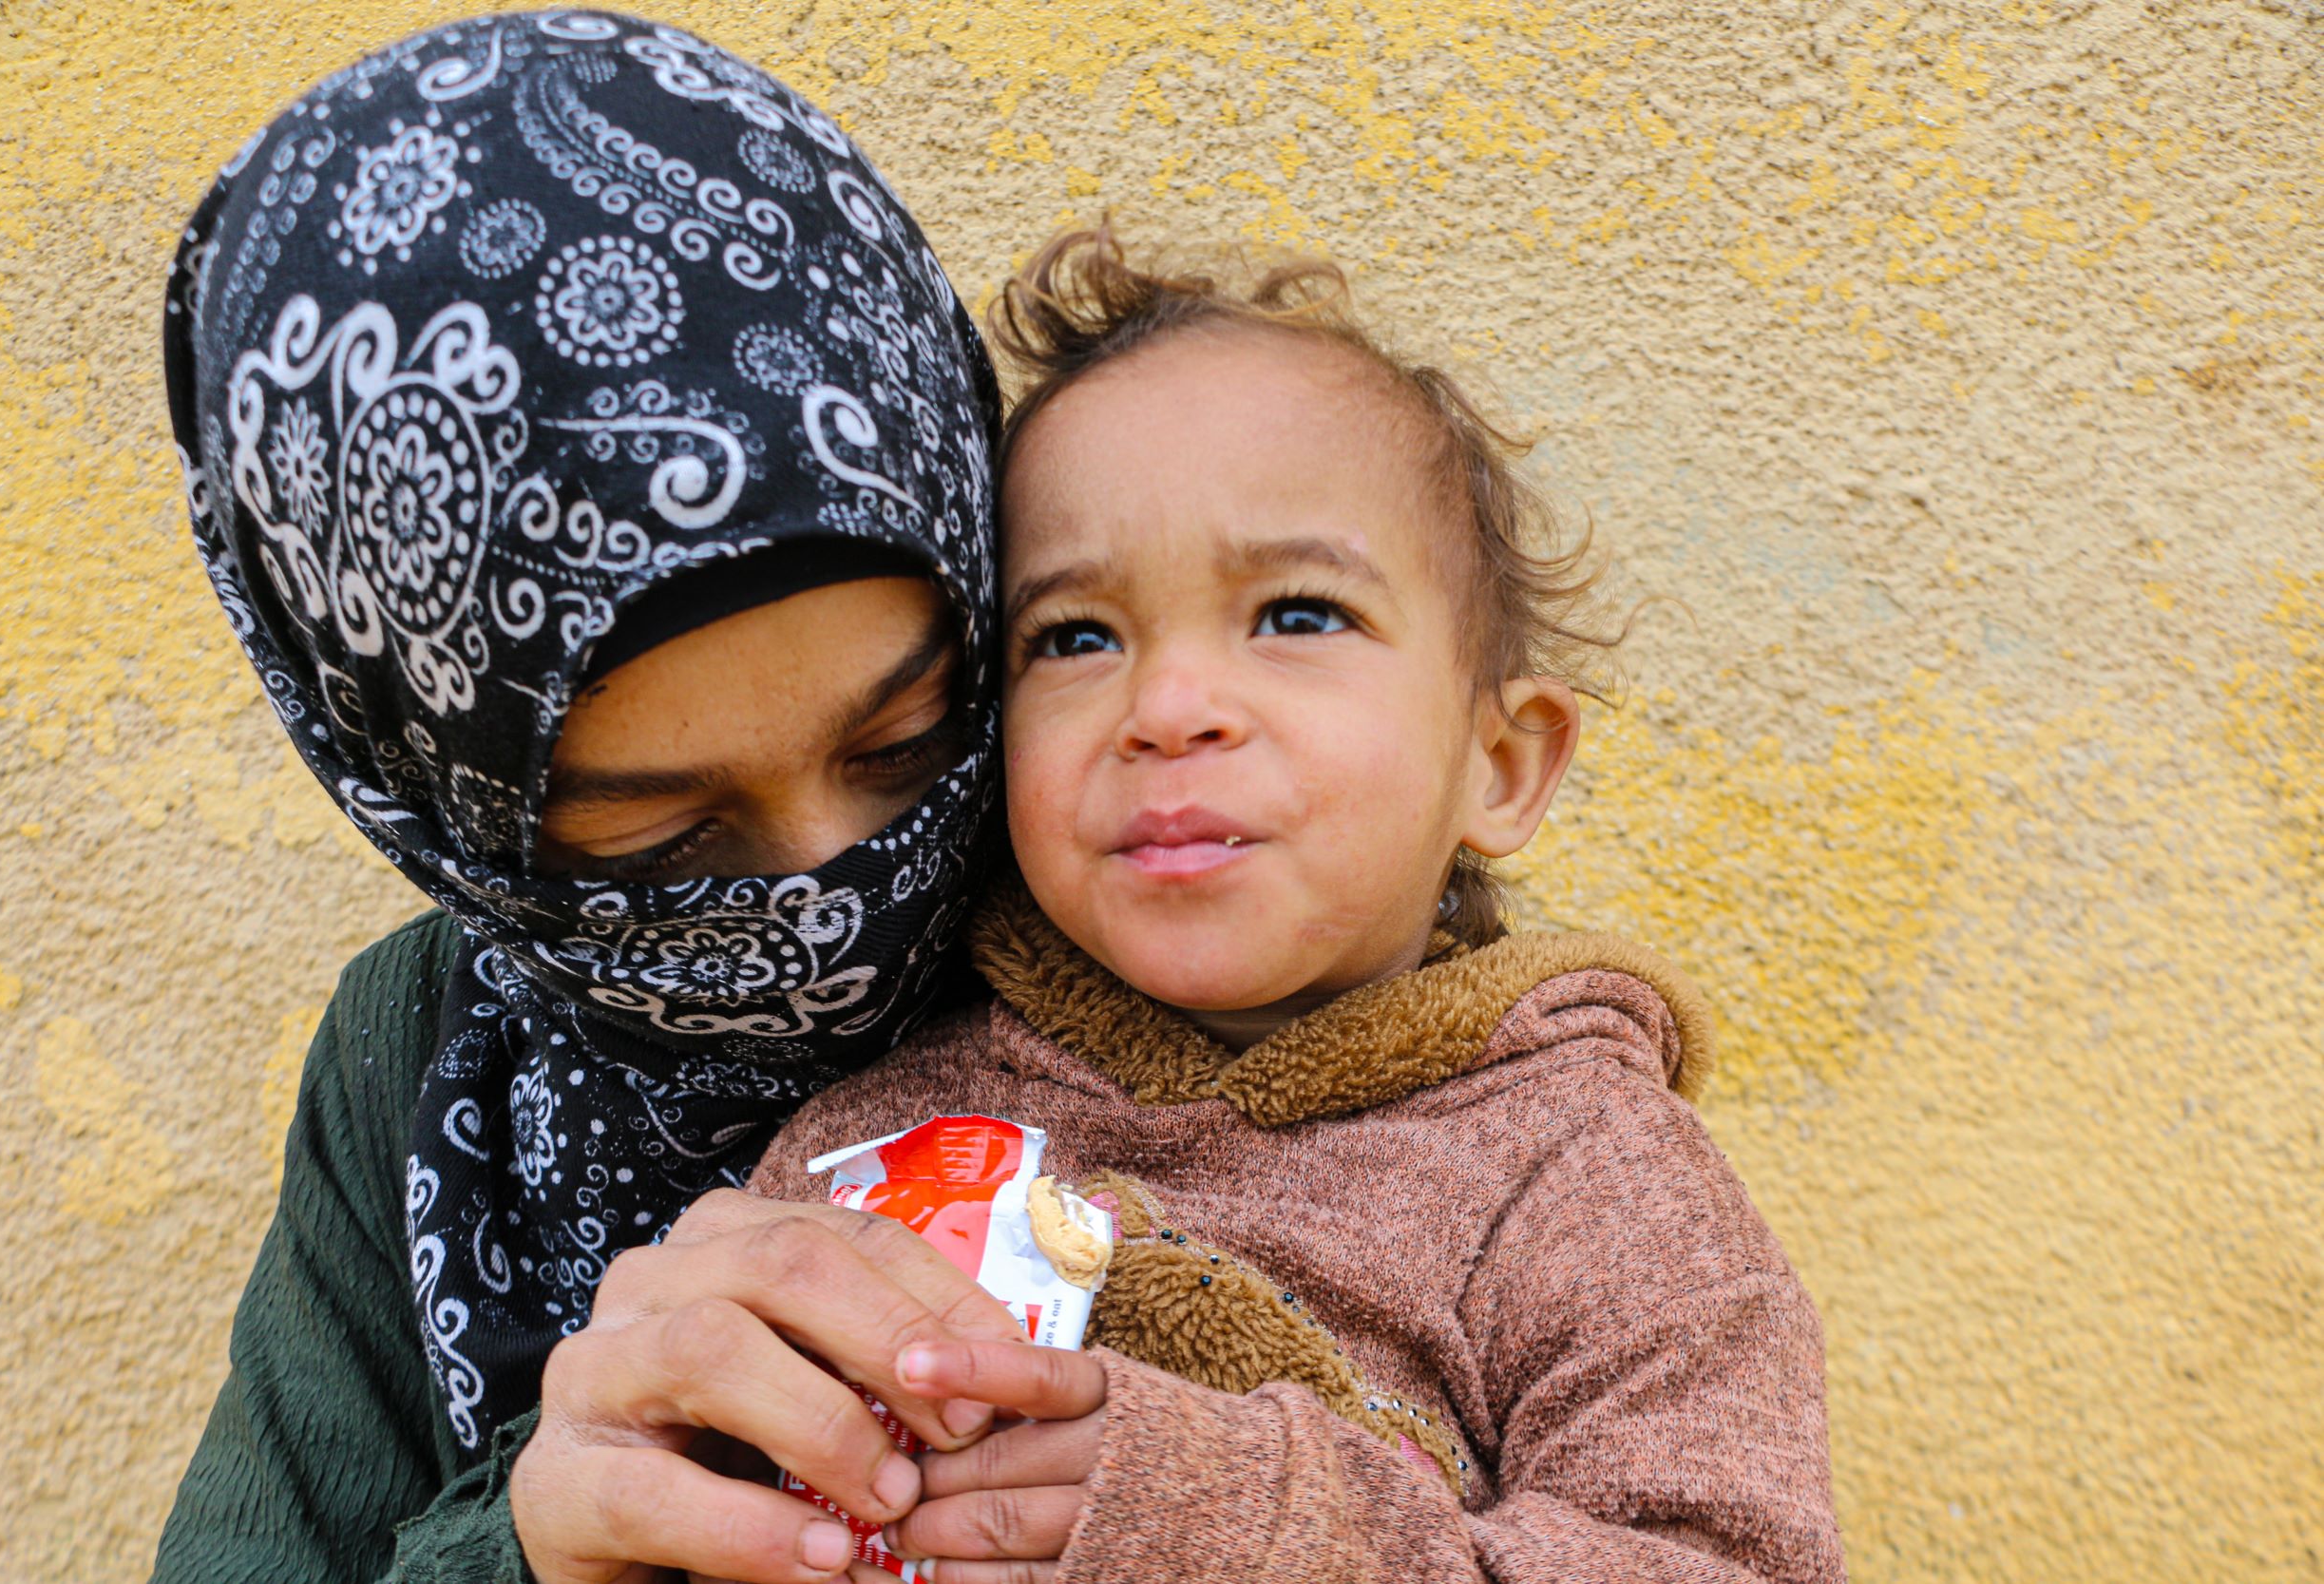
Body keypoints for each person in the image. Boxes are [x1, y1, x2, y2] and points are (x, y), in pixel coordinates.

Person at [745, 225, 1848, 1583]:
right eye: (1075, 637)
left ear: (1498, 767)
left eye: (1298, 615)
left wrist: (1255, 1528)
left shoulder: (1588, 1178)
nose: (1168, 710)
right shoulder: (876, 1139)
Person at [155, 14, 1032, 1583]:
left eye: (905, 746)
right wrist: (531, 1543)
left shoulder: (1203, 914)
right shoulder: (419, 1062)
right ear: (435, 804)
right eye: (669, 844)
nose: (837, 897)